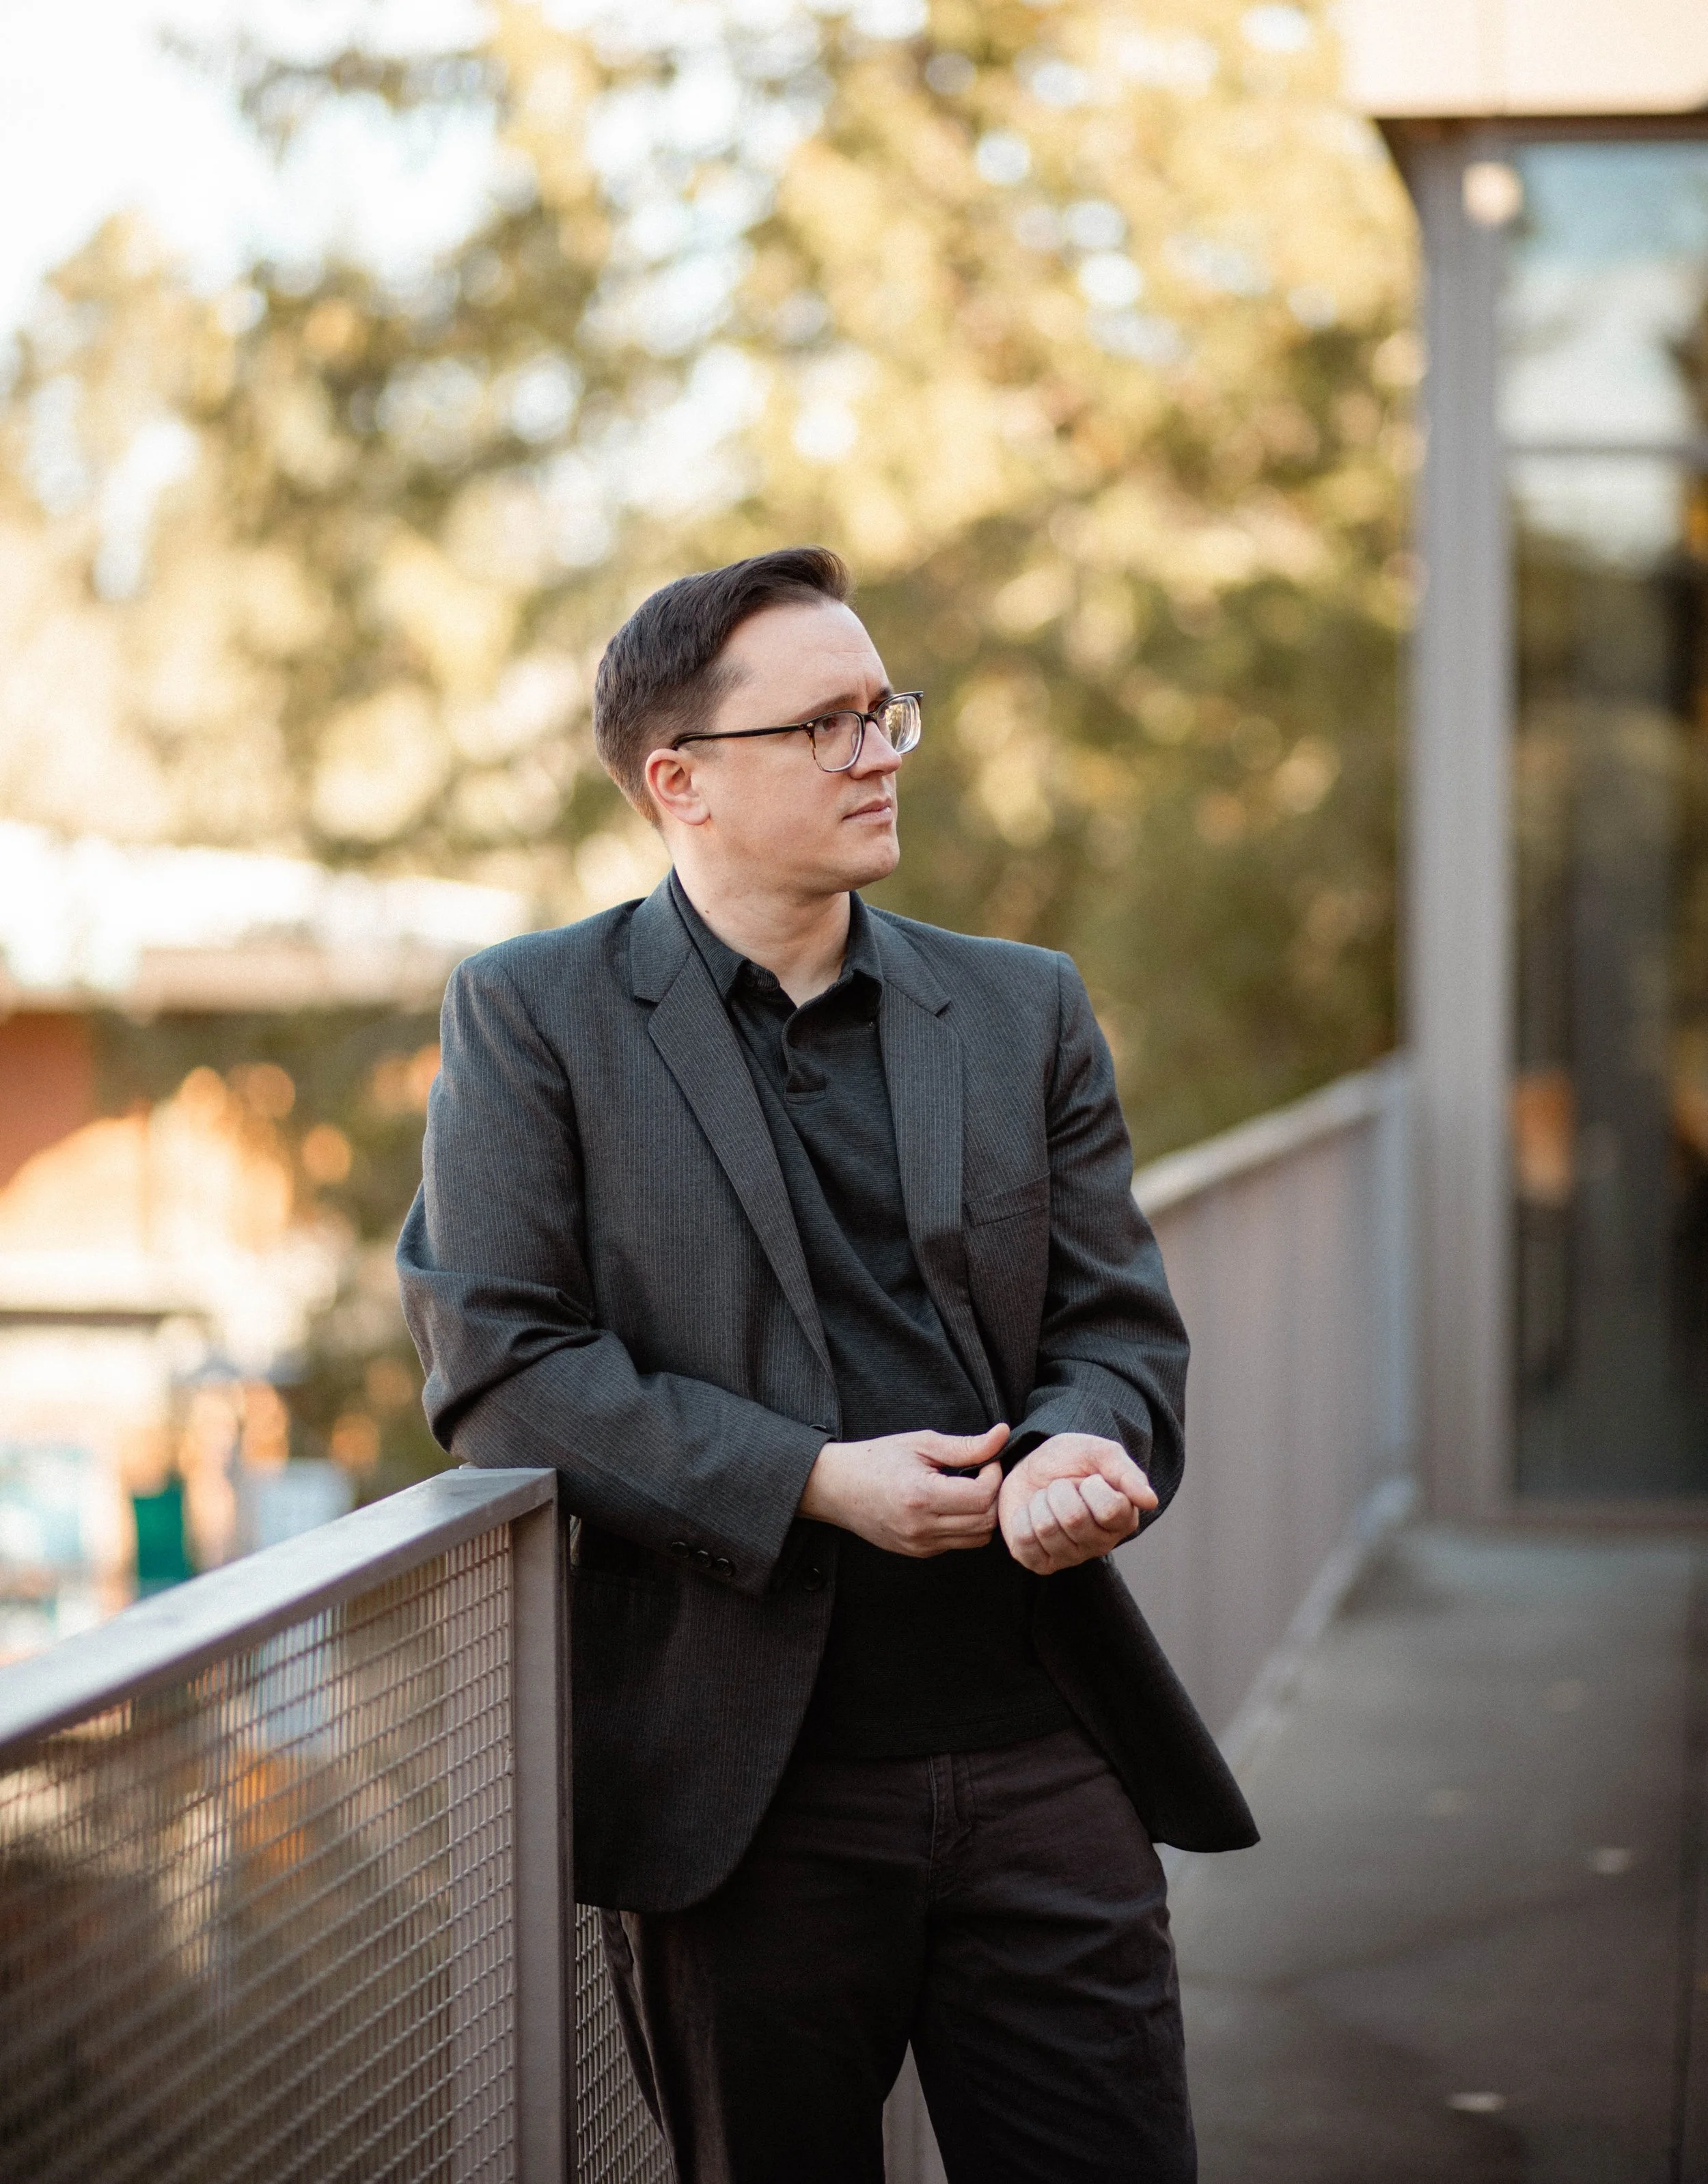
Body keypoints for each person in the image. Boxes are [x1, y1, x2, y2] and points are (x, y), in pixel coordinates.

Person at [398, 546, 1256, 2183]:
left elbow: (1113, 1325)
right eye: (825, 724)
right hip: (747, 1793)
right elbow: (499, 1364)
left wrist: (1084, 1447)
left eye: (884, 712)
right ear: (680, 782)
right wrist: (812, 1482)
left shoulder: (1021, 1008)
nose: (879, 752)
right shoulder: (533, 1015)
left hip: (1042, 1742)